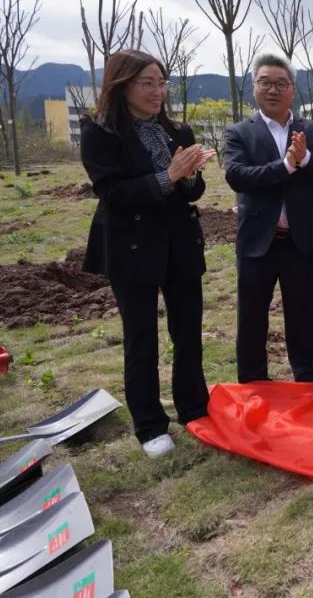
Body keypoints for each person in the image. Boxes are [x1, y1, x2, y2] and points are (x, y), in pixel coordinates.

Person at [80, 48, 216, 458]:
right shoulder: (101, 133)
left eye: (162, 83)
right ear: (122, 86)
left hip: (180, 242)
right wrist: (169, 176)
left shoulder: (177, 131)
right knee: (141, 338)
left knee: (188, 331)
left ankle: (194, 406)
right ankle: (150, 424)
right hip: (132, 246)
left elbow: (193, 191)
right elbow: (113, 193)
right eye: (148, 83)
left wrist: (189, 177)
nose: (158, 92)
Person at [224, 52, 313, 383]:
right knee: (252, 316)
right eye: (265, 82)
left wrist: (305, 159)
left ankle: (307, 378)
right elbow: (237, 176)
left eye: (280, 83)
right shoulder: (239, 133)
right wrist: (286, 166)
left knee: (303, 315)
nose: (272, 90)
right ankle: (253, 382)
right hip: (258, 240)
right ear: (254, 87)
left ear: (292, 90)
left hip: (301, 242)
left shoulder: (312, 130)